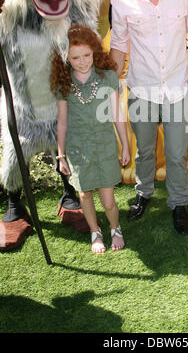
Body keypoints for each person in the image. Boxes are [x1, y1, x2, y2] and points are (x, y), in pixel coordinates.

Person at [110, 0, 188, 236]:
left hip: (178, 87)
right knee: (145, 150)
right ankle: (144, 192)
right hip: (142, 88)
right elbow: (119, 46)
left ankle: (179, 203)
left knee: (178, 152)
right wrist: (111, 82)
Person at [50, 25, 130, 254]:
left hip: (104, 144)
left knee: (108, 200)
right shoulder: (64, 83)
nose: (83, 61)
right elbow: (62, 122)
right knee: (84, 194)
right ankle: (95, 231)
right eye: (75, 58)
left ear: (95, 51)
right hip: (78, 148)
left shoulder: (108, 78)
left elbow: (117, 115)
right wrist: (61, 155)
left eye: (87, 55)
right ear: (66, 57)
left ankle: (115, 228)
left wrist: (125, 144)